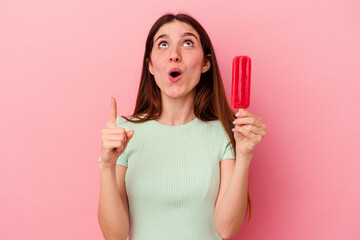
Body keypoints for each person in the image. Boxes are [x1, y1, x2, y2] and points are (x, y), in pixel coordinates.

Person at [98, 13, 266, 240]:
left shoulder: (225, 132)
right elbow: (115, 236)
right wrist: (107, 167)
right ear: (150, 65)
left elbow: (226, 229)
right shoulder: (124, 132)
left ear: (206, 63)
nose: (174, 55)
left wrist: (244, 154)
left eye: (187, 43)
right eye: (163, 44)